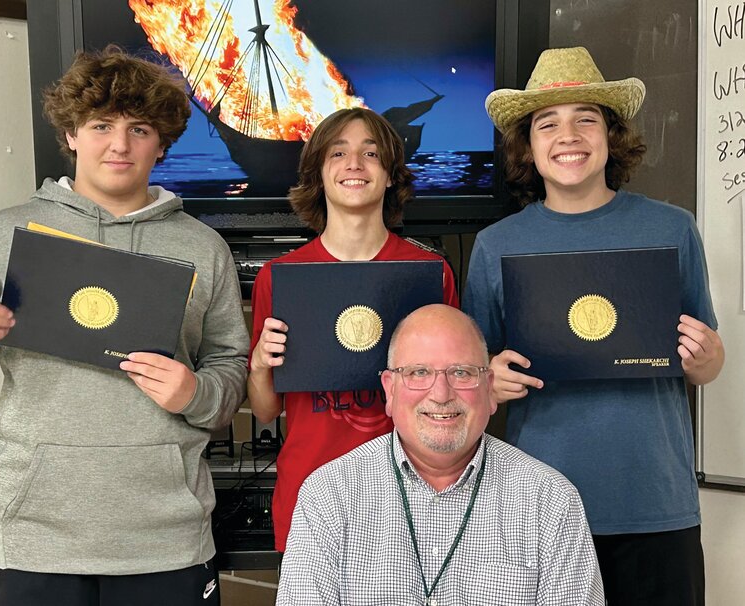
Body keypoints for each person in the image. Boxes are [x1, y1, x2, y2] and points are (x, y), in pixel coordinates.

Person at [0, 46, 249, 606]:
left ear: (162, 143)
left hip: (167, 542)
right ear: (72, 135)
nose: (119, 144)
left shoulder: (203, 247)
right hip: (34, 541)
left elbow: (230, 369)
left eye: (139, 128)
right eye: (101, 125)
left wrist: (197, 392)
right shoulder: (6, 233)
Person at [463, 47, 725, 605]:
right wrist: (491, 382)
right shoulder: (496, 247)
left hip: (655, 502)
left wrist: (706, 360)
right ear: (528, 148)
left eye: (586, 118)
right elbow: (471, 381)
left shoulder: (673, 228)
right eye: (546, 123)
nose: (568, 135)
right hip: (539, 506)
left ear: (610, 135)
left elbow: (708, 359)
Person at [277, 304, 604, 605]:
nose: (441, 394)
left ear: (489, 388)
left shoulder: (551, 501)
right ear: (389, 390)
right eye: (419, 372)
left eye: (461, 373)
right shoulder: (329, 494)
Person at [248, 107, 459, 552]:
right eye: (338, 153)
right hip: (311, 498)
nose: (354, 164)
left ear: (389, 176)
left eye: (371, 154)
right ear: (318, 175)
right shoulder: (280, 276)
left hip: (414, 503)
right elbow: (266, 412)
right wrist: (259, 366)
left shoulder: (431, 273)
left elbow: (454, 398)